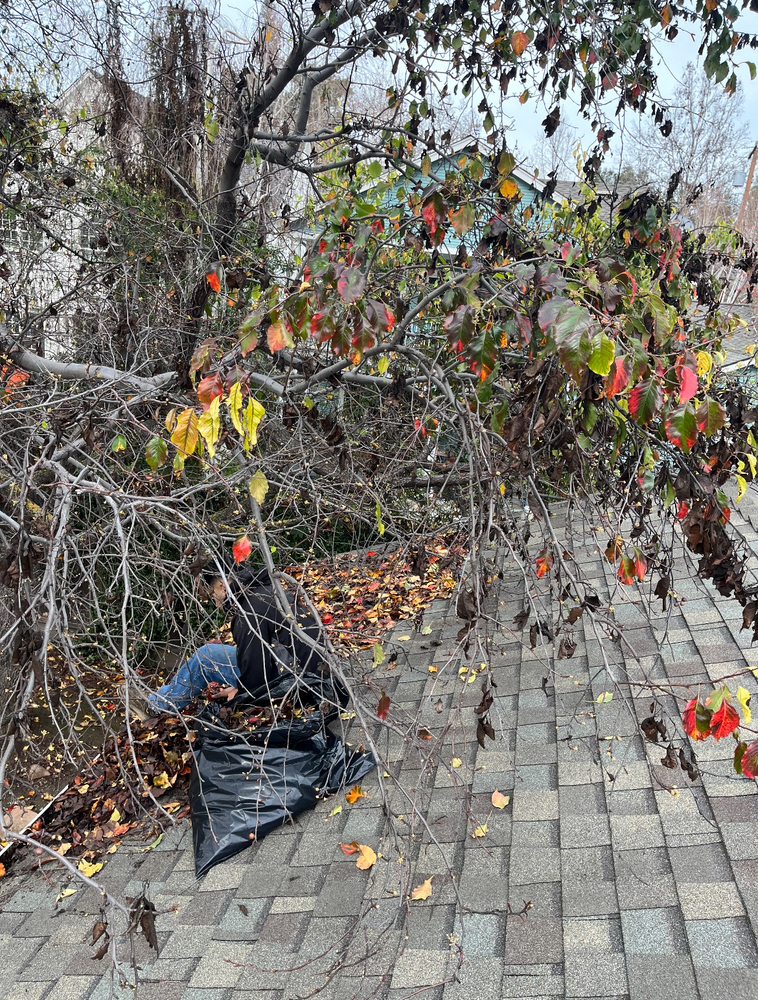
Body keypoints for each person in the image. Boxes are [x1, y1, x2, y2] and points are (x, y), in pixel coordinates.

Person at [128, 566, 325, 718]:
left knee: (207, 657)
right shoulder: (265, 590)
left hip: (297, 688)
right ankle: (163, 700)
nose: (216, 603)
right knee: (216, 651)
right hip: (314, 676)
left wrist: (240, 691)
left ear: (222, 586)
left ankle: (155, 707)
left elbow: (258, 674)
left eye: (213, 595)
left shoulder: (248, 612)